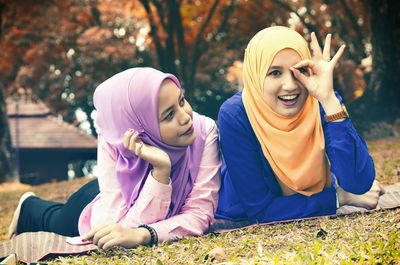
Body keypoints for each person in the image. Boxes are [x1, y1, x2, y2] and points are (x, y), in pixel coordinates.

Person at [8, 67, 221, 249]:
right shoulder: (114, 141)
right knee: (56, 222)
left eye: (181, 101)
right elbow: (113, 228)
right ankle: (29, 205)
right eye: (169, 115)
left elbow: (201, 215)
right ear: (142, 128)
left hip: (124, 203)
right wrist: (160, 172)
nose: (186, 117)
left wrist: (143, 235)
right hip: (97, 202)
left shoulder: (204, 131)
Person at [215, 26, 384, 224]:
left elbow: (358, 183)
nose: (290, 85)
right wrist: (339, 197)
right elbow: (260, 209)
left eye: (299, 70)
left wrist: (329, 100)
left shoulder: (320, 100)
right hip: (239, 211)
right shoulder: (235, 115)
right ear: (256, 75)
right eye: (275, 72)